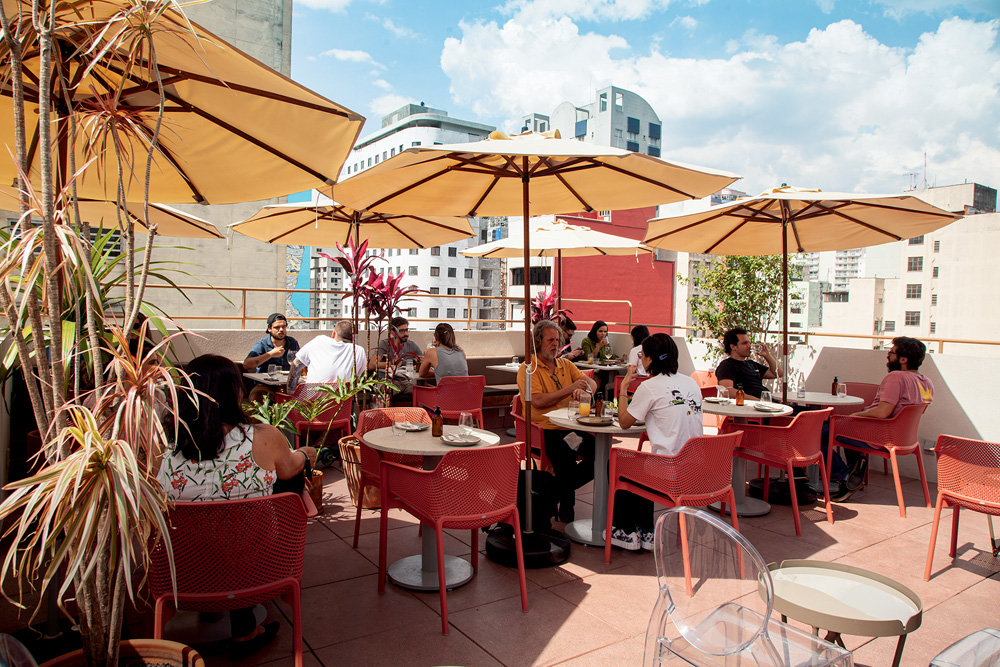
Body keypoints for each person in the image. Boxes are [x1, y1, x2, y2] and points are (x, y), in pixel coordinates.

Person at [156, 354, 317, 660]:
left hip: (179, 568)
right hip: (255, 563)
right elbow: (289, 468)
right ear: (236, 391)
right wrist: (306, 454)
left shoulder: (163, 442)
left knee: (213, 526)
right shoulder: (262, 436)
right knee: (286, 484)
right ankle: (249, 624)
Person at [611, 334, 704, 550]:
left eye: (642, 355)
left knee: (619, 465)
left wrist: (624, 387)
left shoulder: (650, 386)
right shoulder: (691, 383)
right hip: (698, 470)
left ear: (651, 359)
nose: (640, 360)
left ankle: (627, 531)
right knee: (644, 464)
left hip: (669, 472)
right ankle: (647, 532)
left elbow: (624, 422)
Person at [826, 336, 934, 501]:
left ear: (903, 359)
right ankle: (853, 469)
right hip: (905, 439)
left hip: (879, 436)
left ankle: (845, 476)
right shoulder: (926, 382)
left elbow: (882, 412)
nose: (888, 356)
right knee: (836, 427)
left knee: (819, 431)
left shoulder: (896, 377)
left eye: (891, 352)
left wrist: (855, 415)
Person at [517, 320, 598, 523]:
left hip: (568, 428)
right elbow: (537, 401)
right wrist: (570, 389)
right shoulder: (528, 369)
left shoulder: (566, 364)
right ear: (538, 342)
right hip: (543, 429)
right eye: (550, 340)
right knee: (566, 456)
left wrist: (585, 390)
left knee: (600, 452)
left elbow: (593, 383)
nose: (555, 344)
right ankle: (566, 511)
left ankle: (554, 490)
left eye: (557, 340)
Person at [287, 320, 366, 392]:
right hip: (341, 404)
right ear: (353, 337)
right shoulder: (359, 351)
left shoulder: (319, 340)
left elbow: (296, 364)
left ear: (333, 333)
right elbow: (357, 380)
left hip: (312, 403)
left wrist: (290, 392)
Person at [715, 327, 781, 399]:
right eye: (745, 343)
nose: (749, 345)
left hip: (767, 402)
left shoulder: (751, 364)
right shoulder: (727, 365)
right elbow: (728, 391)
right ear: (733, 347)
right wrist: (759, 401)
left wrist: (767, 355)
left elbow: (778, 374)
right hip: (753, 406)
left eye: (749, 342)